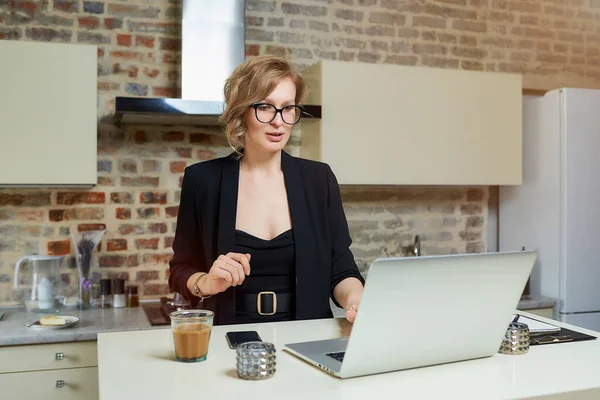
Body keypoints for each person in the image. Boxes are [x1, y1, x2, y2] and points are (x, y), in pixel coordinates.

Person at [168, 55, 364, 326]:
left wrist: (356, 300)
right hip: (230, 338)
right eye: (265, 107)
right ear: (242, 111)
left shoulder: (319, 179)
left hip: (308, 335)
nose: (278, 121)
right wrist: (207, 282)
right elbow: (181, 270)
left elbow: (341, 271)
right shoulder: (202, 181)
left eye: (288, 108)